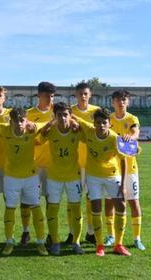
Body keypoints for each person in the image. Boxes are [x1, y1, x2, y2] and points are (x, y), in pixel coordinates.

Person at [0, 108, 48, 256]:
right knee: (10, 208)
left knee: (35, 207)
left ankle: (41, 243)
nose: (20, 124)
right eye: (16, 121)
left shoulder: (32, 128)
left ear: (26, 120)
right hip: (11, 177)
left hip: (31, 177)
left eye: (22, 120)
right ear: (11, 121)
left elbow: (48, 124)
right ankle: (9, 242)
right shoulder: (4, 129)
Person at [78, 108, 131, 256]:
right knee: (95, 206)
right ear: (94, 124)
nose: (101, 125)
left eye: (104, 122)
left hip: (112, 176)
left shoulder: (115, 138)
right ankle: (99, 244)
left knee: (121, 205)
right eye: (98, 122)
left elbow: (123, 160)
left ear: (109, 124)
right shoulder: (89, 131)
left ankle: (118, 244)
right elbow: (74, 118)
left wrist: (124, 184)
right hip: (93, 176)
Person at [39, 102, 83, 255]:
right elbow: (38, 138)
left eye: (65, 115)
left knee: (76, 210)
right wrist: (49, 123)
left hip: (73, 177)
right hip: (54, 177)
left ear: (70, 116)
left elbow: (90, 133)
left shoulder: (76, 130)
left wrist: (77, 122)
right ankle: (55, 242)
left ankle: (76, 242)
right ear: (55, 116)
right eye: (59, 115)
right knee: (52, 210)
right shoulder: (51, 131)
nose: (63, 118)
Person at [104, 90, 146, 251]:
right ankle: (111, 236)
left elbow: (136, 132)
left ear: (127, 102)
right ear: (112, 103)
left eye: (123, 100)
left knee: (133, 201)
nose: (120, 102)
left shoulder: (131, 119)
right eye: (117, 100)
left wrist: (132, 137)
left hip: (130, 168)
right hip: (113, 168)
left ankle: (137, 238)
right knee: (109, 201)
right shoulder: (109, 120)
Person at [65, 82, 101, 245]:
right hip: (73, 162)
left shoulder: (96, 111)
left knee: (90, 198)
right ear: (75, 95)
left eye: (86, 93)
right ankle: (72, 233)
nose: (83, 96)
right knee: (72, 200)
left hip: (92, 163)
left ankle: (91, 232)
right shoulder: (69, 111)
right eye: (80, 93)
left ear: (90, 94)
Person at [20, 81, 55, 246]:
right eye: (47, 95)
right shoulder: (28, 114)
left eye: (52, 96)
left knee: (50, 200)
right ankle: (25, 231)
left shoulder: (57, 113)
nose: (50, 99)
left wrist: (38, 126)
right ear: (39, 95)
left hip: (52, 164)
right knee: (28, 200)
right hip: (32, 164)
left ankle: (49, 232)